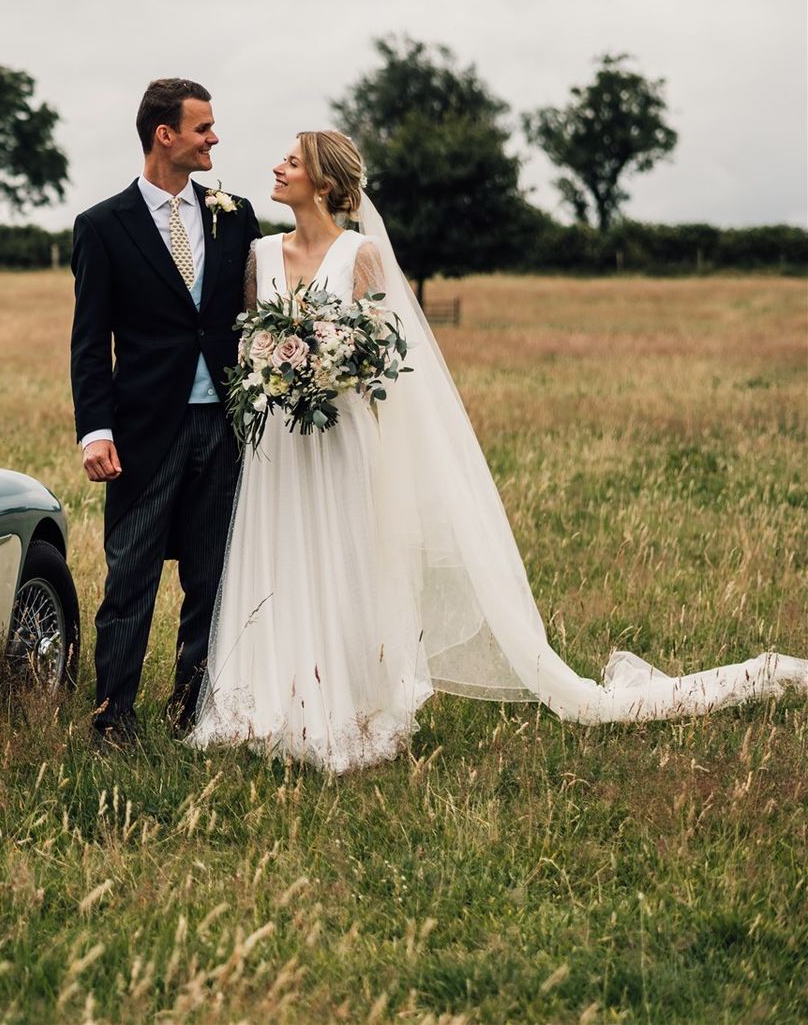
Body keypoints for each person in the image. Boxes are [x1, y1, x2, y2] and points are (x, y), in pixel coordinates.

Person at [187, 130, 807, 772]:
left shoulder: (361, 255)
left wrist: (329, 366)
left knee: (341, 562)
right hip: (279, 443)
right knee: (278, 555)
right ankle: (261, 705)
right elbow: (247, 344)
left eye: (291, 161)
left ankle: (344, 707)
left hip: (340, 437)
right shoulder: (260, 253)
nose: (277, 167)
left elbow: (383, 356)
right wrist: (276, 371)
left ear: (322, 181)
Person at [69, 78, 261, 746]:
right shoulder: (101, 226)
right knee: (131, 579)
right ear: (165, 135)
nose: (214, 139)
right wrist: (95, 430)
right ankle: (113, 720)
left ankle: (195, 710)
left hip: (226, 427)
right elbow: (89, 341)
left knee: (212, 578)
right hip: (143, 430)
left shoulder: (235, 216)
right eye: (203, 128)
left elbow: (256, 317)